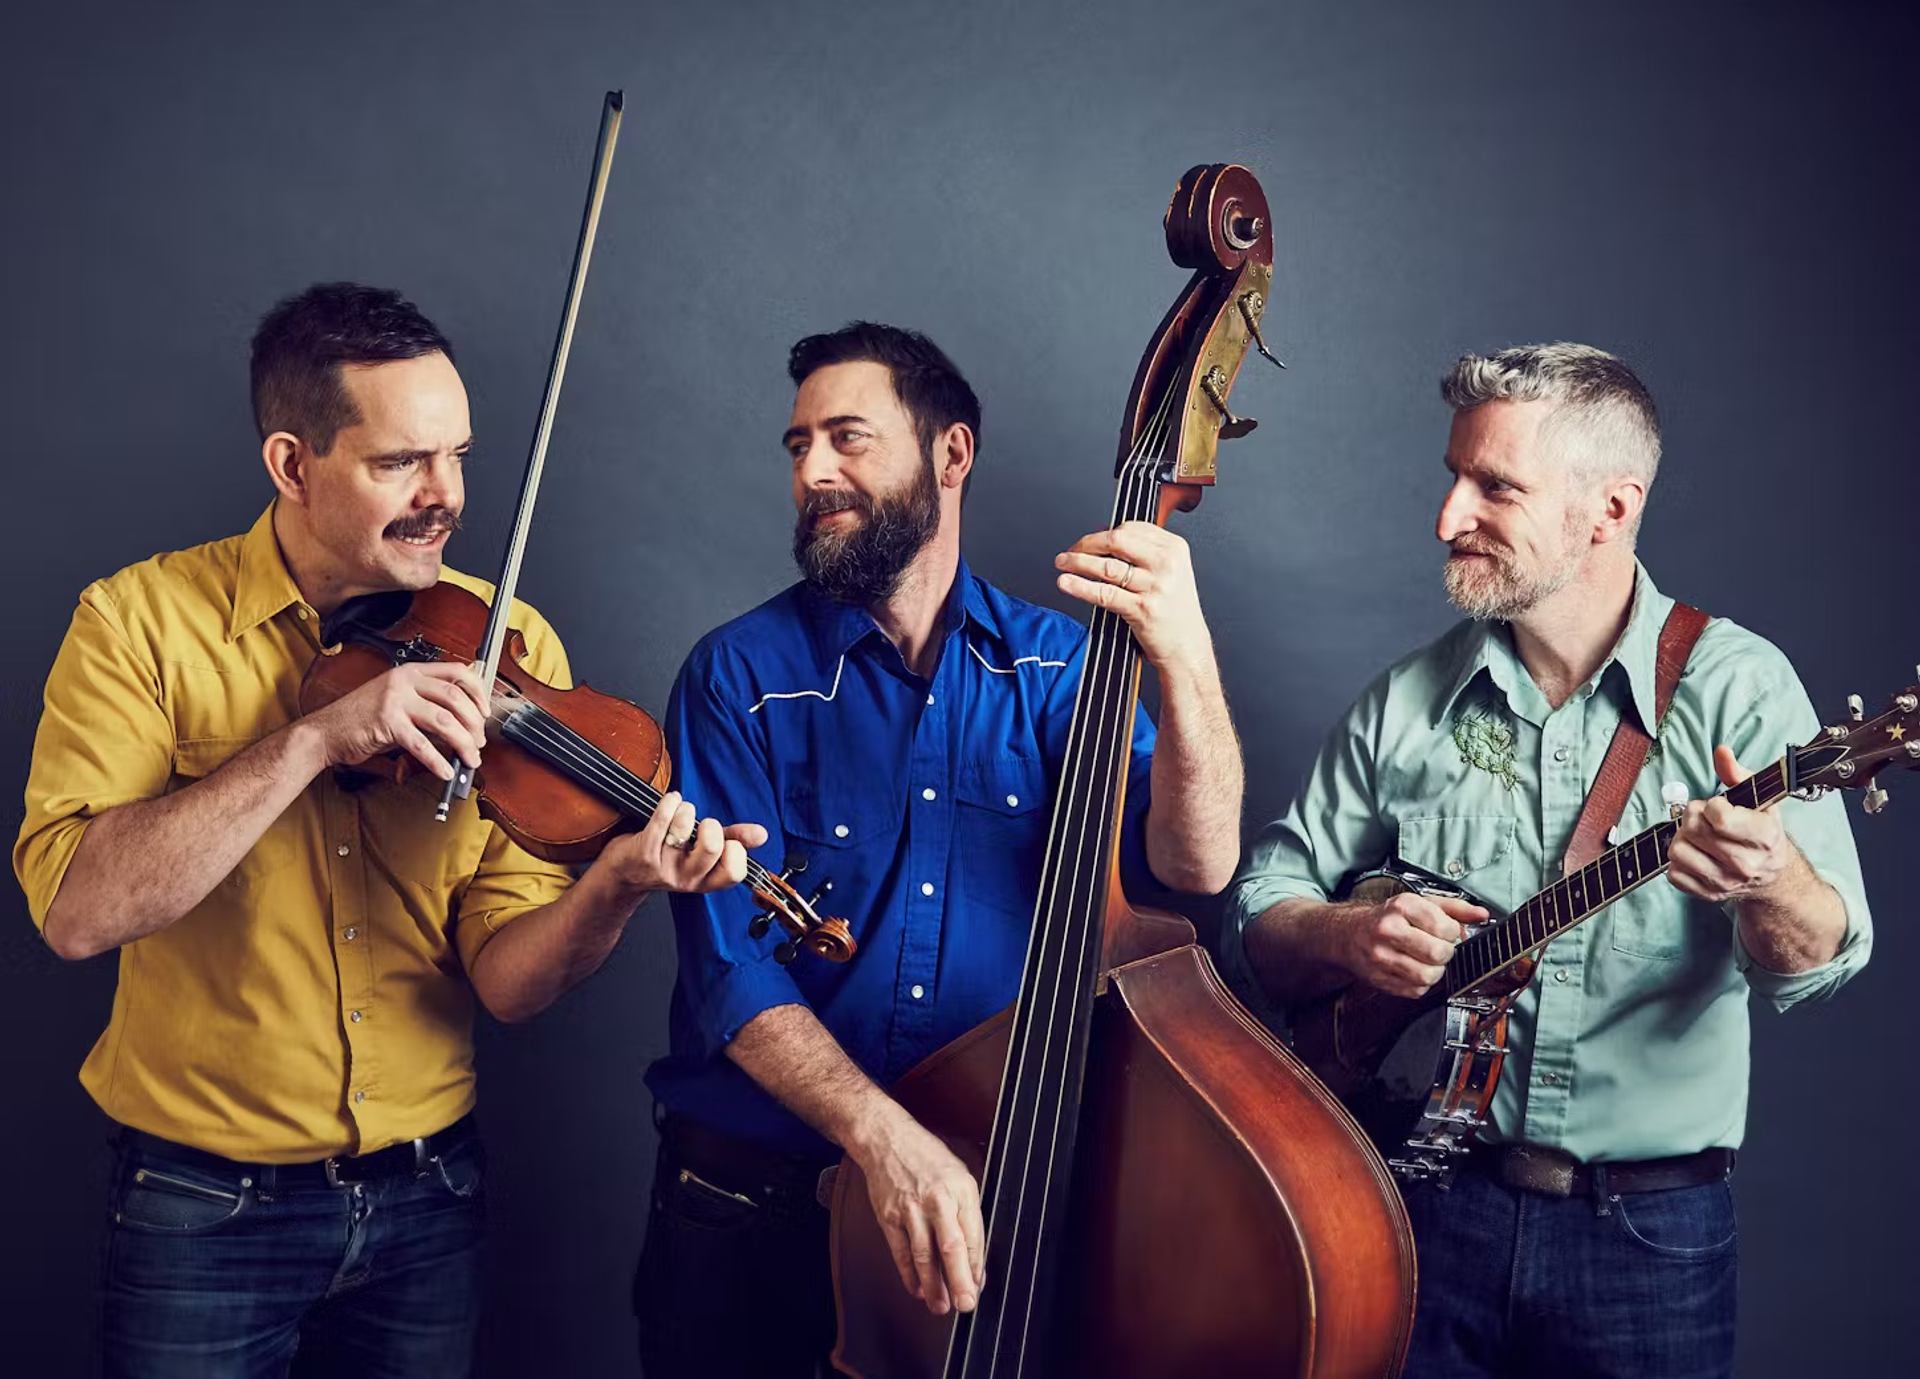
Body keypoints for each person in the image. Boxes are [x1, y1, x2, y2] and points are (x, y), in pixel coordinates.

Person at [13, 282, 762, 1379]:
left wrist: (613, 887)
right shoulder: (136, 623)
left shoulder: (507, 642)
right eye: (399, 462)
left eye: (457, 455)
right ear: (291, 464)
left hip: (429, 1199)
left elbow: (506, 980)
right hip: (203, 1208)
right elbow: (76, 909)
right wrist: (313, 738)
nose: (445, 496)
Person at [1224, 343, 1871, 1378]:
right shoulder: (1407, 701)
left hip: (1650, 1238)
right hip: (1422, 1202)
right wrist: (1345, 930)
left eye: (1495, 487)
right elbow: (1257, 912)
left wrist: (1769, 876)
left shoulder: (1741, 690)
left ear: (1610, 509)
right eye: (1454, 474)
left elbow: (1820, 954)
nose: (1447, 516)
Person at [632, 321, 1244, 1377]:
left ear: (950, 454)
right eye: (797, 446)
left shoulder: (1060, 672)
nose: (812, 471)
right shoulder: (735, 673)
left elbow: (1195, 864)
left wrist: (1182, 658)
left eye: (847, 437)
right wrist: (880, 1134)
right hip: (747, 1215)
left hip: (971, 1215)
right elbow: (733, 965)